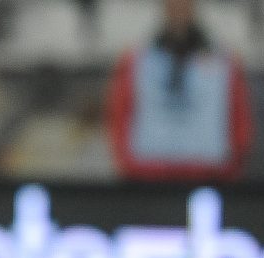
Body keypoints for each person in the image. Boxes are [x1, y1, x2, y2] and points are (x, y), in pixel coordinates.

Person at [106, 0, 253, 182]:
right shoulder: (136, 61)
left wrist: (230, 166)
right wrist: (130, 165)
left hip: (209, 179)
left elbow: (239, 119)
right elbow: (120, 116)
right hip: (147, 180)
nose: (179, 6)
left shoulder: (223, 61)